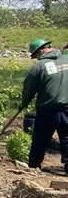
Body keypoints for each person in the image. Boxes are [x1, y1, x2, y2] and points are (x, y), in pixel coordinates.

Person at [21, 38, 68, 173]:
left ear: (41, 51)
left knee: (40, 138)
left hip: (47, 109)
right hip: (67, 109)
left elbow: (29, 88)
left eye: (36, 55)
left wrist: (24, 103)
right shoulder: (66, 60)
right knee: (67, 138)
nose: (36, 58)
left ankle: (34, 165)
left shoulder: (39, 66)